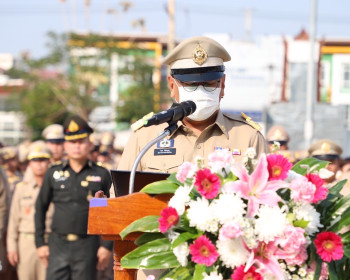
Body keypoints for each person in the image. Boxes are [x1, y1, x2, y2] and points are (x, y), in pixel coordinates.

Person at [117, 36, 268, 175]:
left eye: (209, 84)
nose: (200, 91)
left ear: (222, 85)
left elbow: (273, 197)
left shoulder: (248, 137)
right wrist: (97, 202)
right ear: (171, 85)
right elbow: (115, 198)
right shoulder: (146, 137)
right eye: (190, 84)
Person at [34, 115, 113, 280]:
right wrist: (40, 243)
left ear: (90, 144)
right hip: (58, 245)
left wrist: (106, 246)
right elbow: (40, 208)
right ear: (65, 145)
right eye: (72, 142)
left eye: (81, 141)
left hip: (87, 245)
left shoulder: (101, 174)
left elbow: (110, 211)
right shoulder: (53, 173)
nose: (76, 146)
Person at [7, 141, 54, 280]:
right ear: (29, 163)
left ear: (49, 161)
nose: (39, 164)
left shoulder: (57, 187)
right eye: (34, 160)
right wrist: (12, 247)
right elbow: (14, 219)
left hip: (50, 241)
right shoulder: (21, 188)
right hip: (26, 243)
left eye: (43, 160)